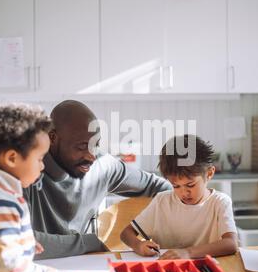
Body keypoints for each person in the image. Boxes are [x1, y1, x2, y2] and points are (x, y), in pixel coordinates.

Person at [24, 100, 171, 259]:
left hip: (86, 264)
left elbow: (165, 187)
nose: (91, 156)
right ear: (52, 138)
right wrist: (89, 243)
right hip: (37, 270)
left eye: (96, 145)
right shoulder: (24, 171)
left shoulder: (103, 165)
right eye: (81, 146)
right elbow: (18, 242)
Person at [0, 104, 85, 272]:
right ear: (12, 158)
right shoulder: (2, 200)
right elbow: (11, 268)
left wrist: (25, 243)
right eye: (40, 158)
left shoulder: (0, 193)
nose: (43, 166)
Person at [121, 134, 238, 259]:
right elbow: (126, 233)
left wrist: (188, 252)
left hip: (205, 270)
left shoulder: (219, 202)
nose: (184, 193)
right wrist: (139, 245)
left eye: (190, 185)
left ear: (209, 173)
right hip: (166, 269)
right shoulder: (162, 201)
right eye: (176, 186)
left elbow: (230, 244)